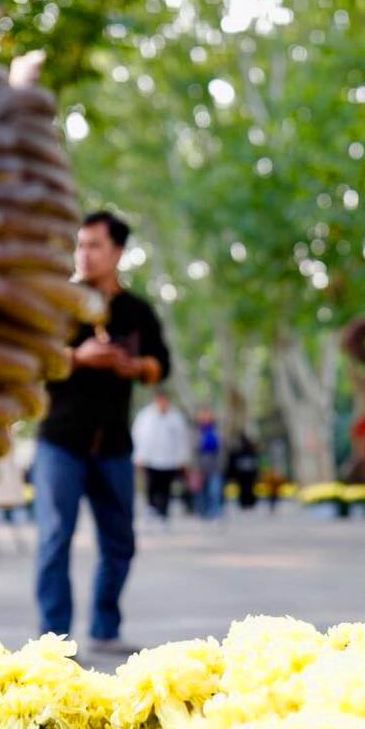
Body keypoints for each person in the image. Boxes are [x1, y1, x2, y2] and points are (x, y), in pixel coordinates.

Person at [34, 211, 171, 653]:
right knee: (55, 539)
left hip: (113, 443)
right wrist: (79, 357)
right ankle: (54, 639)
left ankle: (105, 628)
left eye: (94, 245)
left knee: (120, 542)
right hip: (61, 441)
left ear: (117, 251)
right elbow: (36, 359)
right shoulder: (61, 303)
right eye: (80, 244)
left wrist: (138, 366)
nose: (85, 254)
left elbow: (160, 364)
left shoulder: (137, 310)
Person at [131, 390, 190, 526]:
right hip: (150, 459)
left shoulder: (176, 417)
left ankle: (164, 514)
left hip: (169, 460)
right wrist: (138, 456)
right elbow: (137, 436)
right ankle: (151, 510)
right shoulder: (145, 416)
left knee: (166, 487)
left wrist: (182, 458)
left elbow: (182, 439)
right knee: (151, 485)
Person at [193, 408, 225, 519]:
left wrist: (222, 463)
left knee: (214, 491)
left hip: (215, 466)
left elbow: (222, 449)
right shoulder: (196, 431)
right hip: (200, 467)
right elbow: (192, 449)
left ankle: (216, 512)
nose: (205, 417)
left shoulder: (217, 431)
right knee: (201, 492)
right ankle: (203, 512)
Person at [227, 432, 262, 511]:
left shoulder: (244, 447)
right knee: (246, 487)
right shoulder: (246, 447)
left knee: (246, 488)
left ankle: (247, 502)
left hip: (245, 472)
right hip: (246, 472)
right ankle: (247, 502)